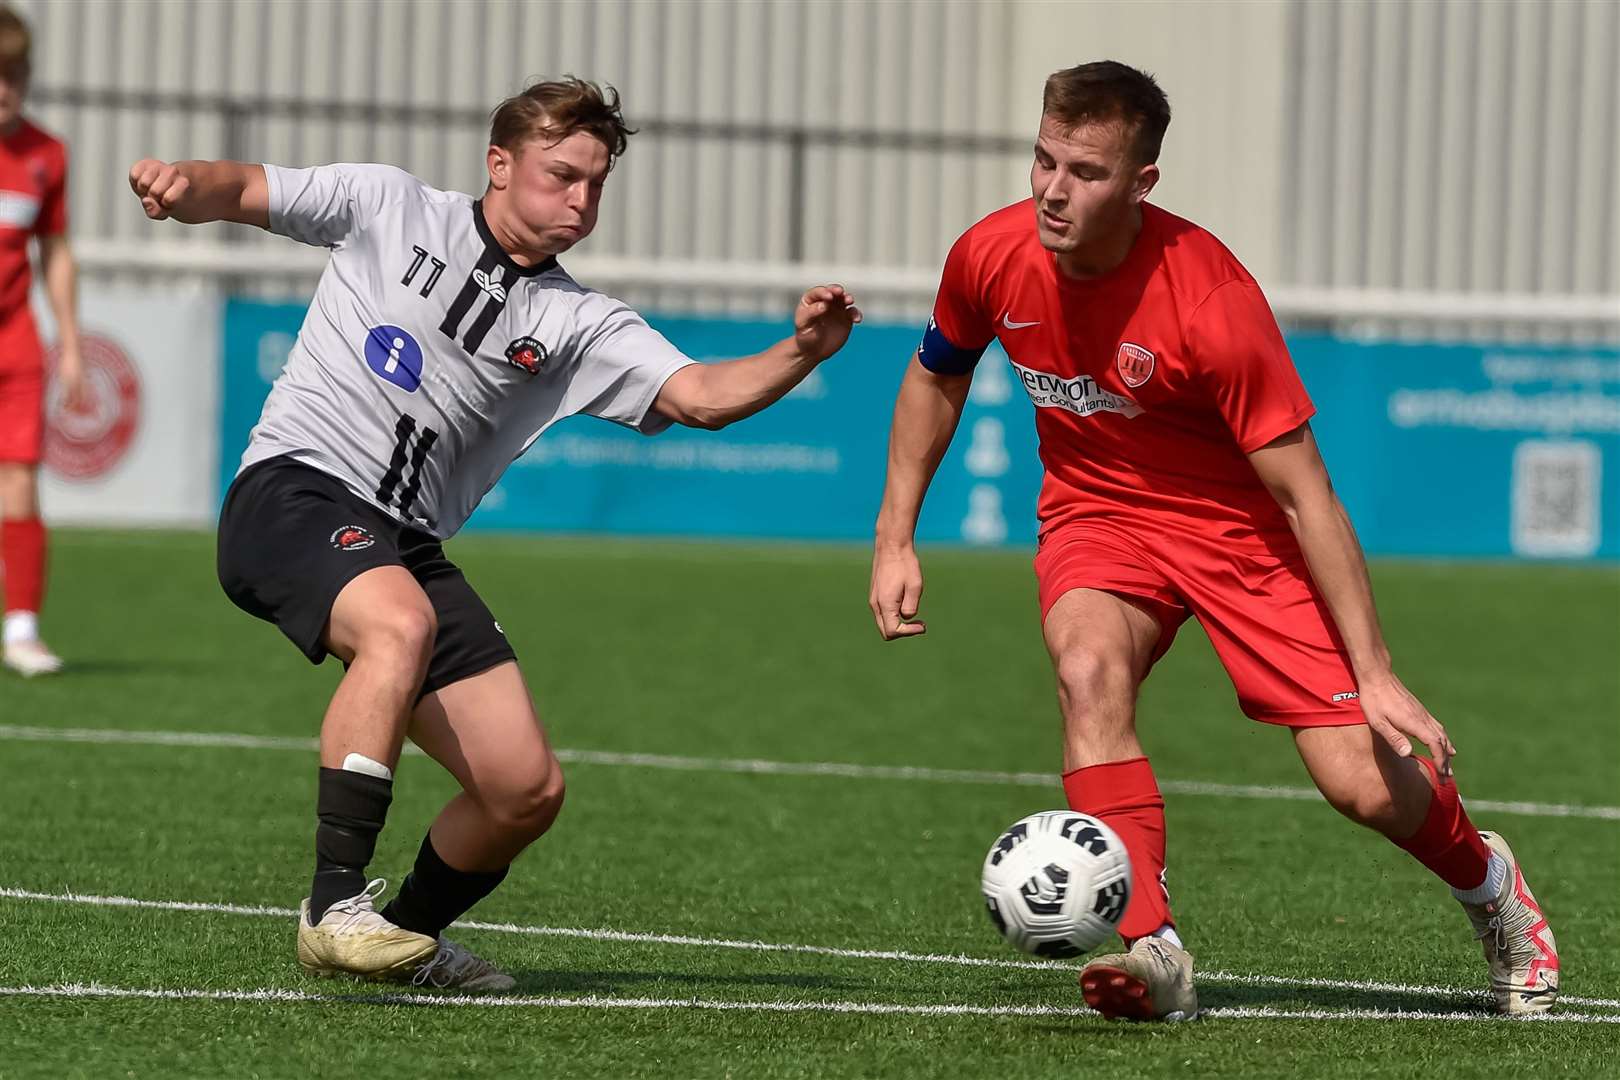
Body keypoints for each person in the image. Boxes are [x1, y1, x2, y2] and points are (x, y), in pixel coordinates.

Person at [128, 77, 860, 991]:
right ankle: (332, 904)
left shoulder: (577, 319)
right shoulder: (388, 206)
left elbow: (699, 399)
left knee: (524, 789)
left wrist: (802, 352)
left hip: (405, 541)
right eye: (562, 177)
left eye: (596, 184)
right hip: (294, 492)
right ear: (500, 164)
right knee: (399, 627)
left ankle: (403, 941)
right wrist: (176, 183)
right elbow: (239, 189)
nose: (581, 202)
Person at [869, 61, 1557, 1021]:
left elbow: (1309, 498)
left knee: (1362, 785)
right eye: (1043, 160)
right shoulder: (988, 254)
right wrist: (895, 536)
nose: (1053, 191)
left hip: (1240, 537)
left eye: (1087, 172)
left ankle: (1494, 893)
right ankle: (1155, 948)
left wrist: (1378, 671)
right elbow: (935, 376)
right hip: (1096, 515)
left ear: (1142, 183)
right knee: (1086, 672)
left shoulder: (1211, 302)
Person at [0, 5, 83, 677]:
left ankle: (21, 630)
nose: (5, 87)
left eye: (15, 73)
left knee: (20, 488)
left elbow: (55, 251)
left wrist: (72, 341)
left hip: (16, 348)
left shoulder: (46, 154)